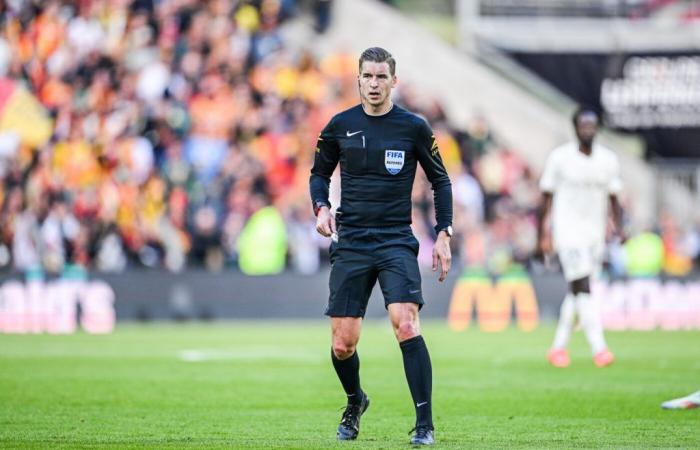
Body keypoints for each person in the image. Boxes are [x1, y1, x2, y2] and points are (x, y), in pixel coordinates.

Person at [309, 47, 453, 446]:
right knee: (342, 344)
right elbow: (318, 174)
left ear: (394, 81)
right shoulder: (340, 125)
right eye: (367, 77)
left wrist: (444, 232)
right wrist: (321, 207)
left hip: (394, 239)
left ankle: (424, 423)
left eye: (381, 77)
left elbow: (441, 181)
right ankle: (355, 402)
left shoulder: (413, 127)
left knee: (406, 324)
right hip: (352, 240)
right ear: (358, 79)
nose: (374, 84)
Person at [537, 107, 625, 368]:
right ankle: (600, 348)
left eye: (592, 124)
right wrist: (542, 234)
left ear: (597, 127)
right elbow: (546, 197)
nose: (588, 129)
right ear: (575, 127)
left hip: (594, 234)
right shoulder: (560, 158)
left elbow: (614, 197)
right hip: (567, 232)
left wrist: (619, 227)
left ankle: (557, 348)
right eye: (583, 125)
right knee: (583, 285)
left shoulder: (608, 160)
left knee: (577, 292)